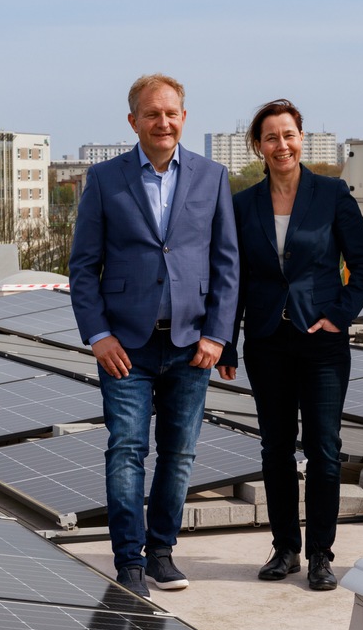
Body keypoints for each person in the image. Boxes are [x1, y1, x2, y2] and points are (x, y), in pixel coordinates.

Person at [69, 73, 239, 598]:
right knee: (126, 449)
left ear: (183, 118)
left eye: (171, 113)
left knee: (180, 453)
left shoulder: (212, 177)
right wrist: (98, 335)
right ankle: (129, 563)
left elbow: (227, 262)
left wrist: (218, 335)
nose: (162, 122)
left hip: (191, 344)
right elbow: (83, 268)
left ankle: (162, 552)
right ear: (133, 121)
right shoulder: (103, 179)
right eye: (151, 114)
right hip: (126, 345)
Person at [216, 100, 363, 590]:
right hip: (266, 341)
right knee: (276, 448)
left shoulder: (331, 194)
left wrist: (338, 315)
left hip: (321, 343)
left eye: (288, 135)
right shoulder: (242, 205)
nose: (280, 145)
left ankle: (321, 555)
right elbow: (232, 277)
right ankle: (284, 547)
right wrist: (226, 341)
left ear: (301, 137)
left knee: (325, 450)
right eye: (270, 137)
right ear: (258, 147)